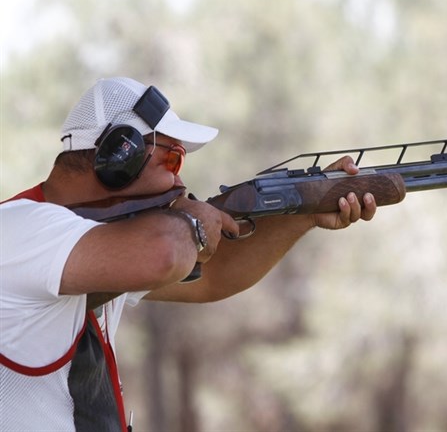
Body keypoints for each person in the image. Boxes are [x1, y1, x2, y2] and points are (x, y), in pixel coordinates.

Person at [0, 77, 379, 431]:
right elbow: (166, 253)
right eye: (173, 159)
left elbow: (213, 278)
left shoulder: (98, 243)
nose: (179, 181)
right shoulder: (20, 230)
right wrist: (192, 223)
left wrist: (306, 212)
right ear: (120, 157)